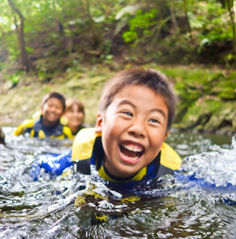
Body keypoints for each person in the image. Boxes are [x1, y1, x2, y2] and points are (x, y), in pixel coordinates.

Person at [30, 68, 181, 183]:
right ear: (100, 123)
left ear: (163, 138)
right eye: (127, 113)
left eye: (153, 120)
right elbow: (37, 167)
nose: (138, 129)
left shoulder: (172, 178)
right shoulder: (73, 164)